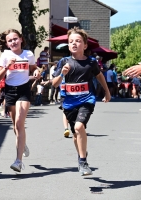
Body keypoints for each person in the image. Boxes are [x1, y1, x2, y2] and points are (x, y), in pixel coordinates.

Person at [52, 27, 111, 176]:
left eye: (78, 41)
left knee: (79, 127)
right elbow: (54, 83)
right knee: (75, 133)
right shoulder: (64, 62)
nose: (74, 43)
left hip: (86, 99)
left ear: (84, 45)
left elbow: (99, 77)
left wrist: (107, 91)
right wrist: (62, 74)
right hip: (69, 103)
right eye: (71, 41)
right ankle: (81, 155)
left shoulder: (91, 62)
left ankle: (83, 161)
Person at [0, 29, 40, 172]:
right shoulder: (5, 55)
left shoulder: (28, 54)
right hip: (10, 91)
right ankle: (22, 143)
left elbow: (33, 68)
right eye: (10, 40)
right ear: (7, 43)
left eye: (15, 39)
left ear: (21, 39)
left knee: (20, 122)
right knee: (16, 126)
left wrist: (36, 71)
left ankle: (18, 161)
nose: (13, 42)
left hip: (24, 90)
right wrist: (8, 66)